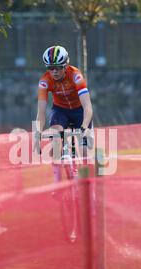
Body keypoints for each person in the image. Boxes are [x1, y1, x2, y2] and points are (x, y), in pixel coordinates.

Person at [33, 45, 94, 181]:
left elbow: (88, 107)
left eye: (58, 67)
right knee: (55, 140)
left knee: (84, 152)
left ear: (66, 65)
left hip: (80, 111)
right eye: (50, 68)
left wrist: (84, 127)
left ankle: (87, 185)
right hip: (60, 111)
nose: (54, 71)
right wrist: (36, 135)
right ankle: (57, 181)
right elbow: (41, 113)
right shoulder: (45, 81)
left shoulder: (75, 75)